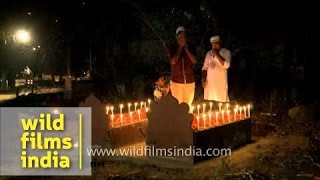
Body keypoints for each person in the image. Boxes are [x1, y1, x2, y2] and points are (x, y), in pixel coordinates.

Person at [168, 26, 197, 109]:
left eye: (184, 36)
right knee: (178, 106)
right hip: (176, 82)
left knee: (188, 106)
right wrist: (180, 47)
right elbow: (173, 61)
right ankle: (177, 122)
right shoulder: (172, 47)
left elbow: (194, 60)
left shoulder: (191, 46)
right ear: (176, 37)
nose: (182, 38)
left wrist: (186, 48)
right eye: (180, 36)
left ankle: (187, 121)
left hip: (190, 82)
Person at [202, 35, 231, 103]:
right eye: (213, 44)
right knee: (210, 106)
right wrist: (203, 78)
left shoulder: (226, 52)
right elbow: (205, 67)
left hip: (220, 85)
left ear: (220, 43)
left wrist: (217, 54)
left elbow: (227, 65)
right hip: (210, 86)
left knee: (221, 104)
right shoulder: (208, 53)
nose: (214, 45)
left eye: (216, 43)